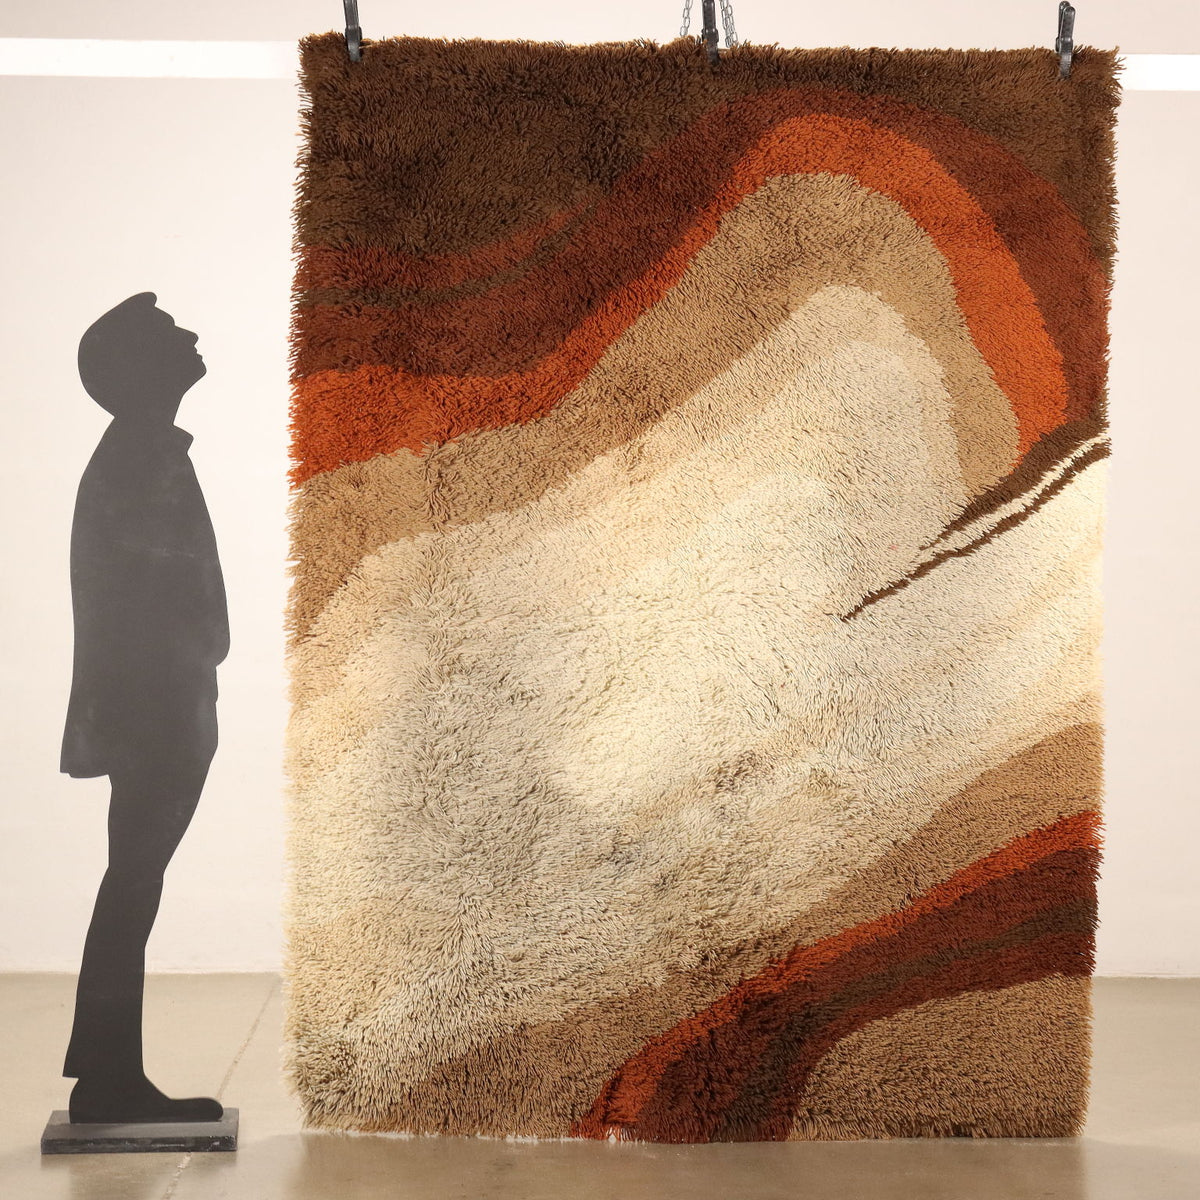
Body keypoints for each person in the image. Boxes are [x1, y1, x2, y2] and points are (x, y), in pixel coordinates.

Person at [60, 292, 229, 1123]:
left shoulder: (141, 451)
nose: (189, 335)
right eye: (167, 334)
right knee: (133, 883)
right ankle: (106, 1079)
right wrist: (188, 680)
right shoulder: (137, 458)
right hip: (156, 712)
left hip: (161, 707)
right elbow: (139, 605)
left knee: (133, 882)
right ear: (137, 368)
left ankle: (105, 1073)